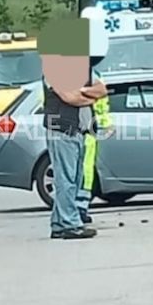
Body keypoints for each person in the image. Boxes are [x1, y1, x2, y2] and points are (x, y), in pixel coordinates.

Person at [44, 74, 107, 240]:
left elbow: (101, 90)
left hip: (79, 132)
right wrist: (89, 97)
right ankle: (70, 224)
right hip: (62, 130)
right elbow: (71, 98)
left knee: (74, 179)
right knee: (66, 179)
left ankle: (59, 224)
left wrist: (82, 91)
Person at [75, 67, 113, 224]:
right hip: (81, 127)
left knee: (86, 171)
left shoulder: (91, 74)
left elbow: (101, 92)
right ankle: (78, 207)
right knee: (80, 171)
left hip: (92, 128)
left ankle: (81, 206)